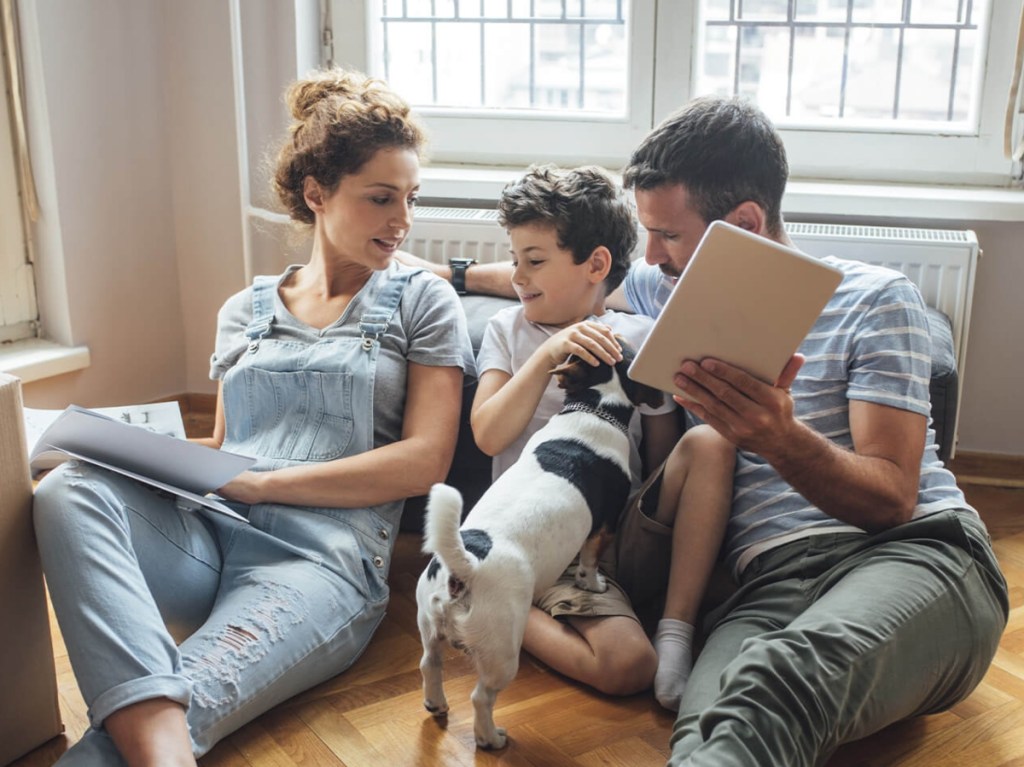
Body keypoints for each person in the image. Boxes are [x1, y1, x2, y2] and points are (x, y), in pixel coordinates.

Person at [403, 96, 1009, 766]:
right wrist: (446, 275)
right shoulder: (666, 287)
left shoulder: (876, 298)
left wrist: (781, 438)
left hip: (911, 554)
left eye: (667, 235)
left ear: (744, 224)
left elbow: (893, 499)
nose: (648, 254)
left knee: (771, 685)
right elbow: (562, 276)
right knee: (706, 729)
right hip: (763, 586)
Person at [32, 68, 474, 767]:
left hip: (320, 562)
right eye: (382, 198)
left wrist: (263, 484)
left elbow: (426, 460)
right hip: (208, 534)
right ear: (316, 193)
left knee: (148, 724)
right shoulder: (244, 308)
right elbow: (224, 444)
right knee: (67, 489)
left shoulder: (423, 302)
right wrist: (154, 460)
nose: (403, 220)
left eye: (411, 199)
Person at [471, 164, 736, 710]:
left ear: (596, 264)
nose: (518, 277)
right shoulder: (510, 333)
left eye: (535, 261)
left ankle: (677, 628)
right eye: (516, 259)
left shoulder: (640, 337)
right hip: (546, 541)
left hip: (622, 531)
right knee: (627, 667)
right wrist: (550, 352)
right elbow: (489, 435)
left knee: (711, 443)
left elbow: (660, 457)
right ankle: (489, 599)